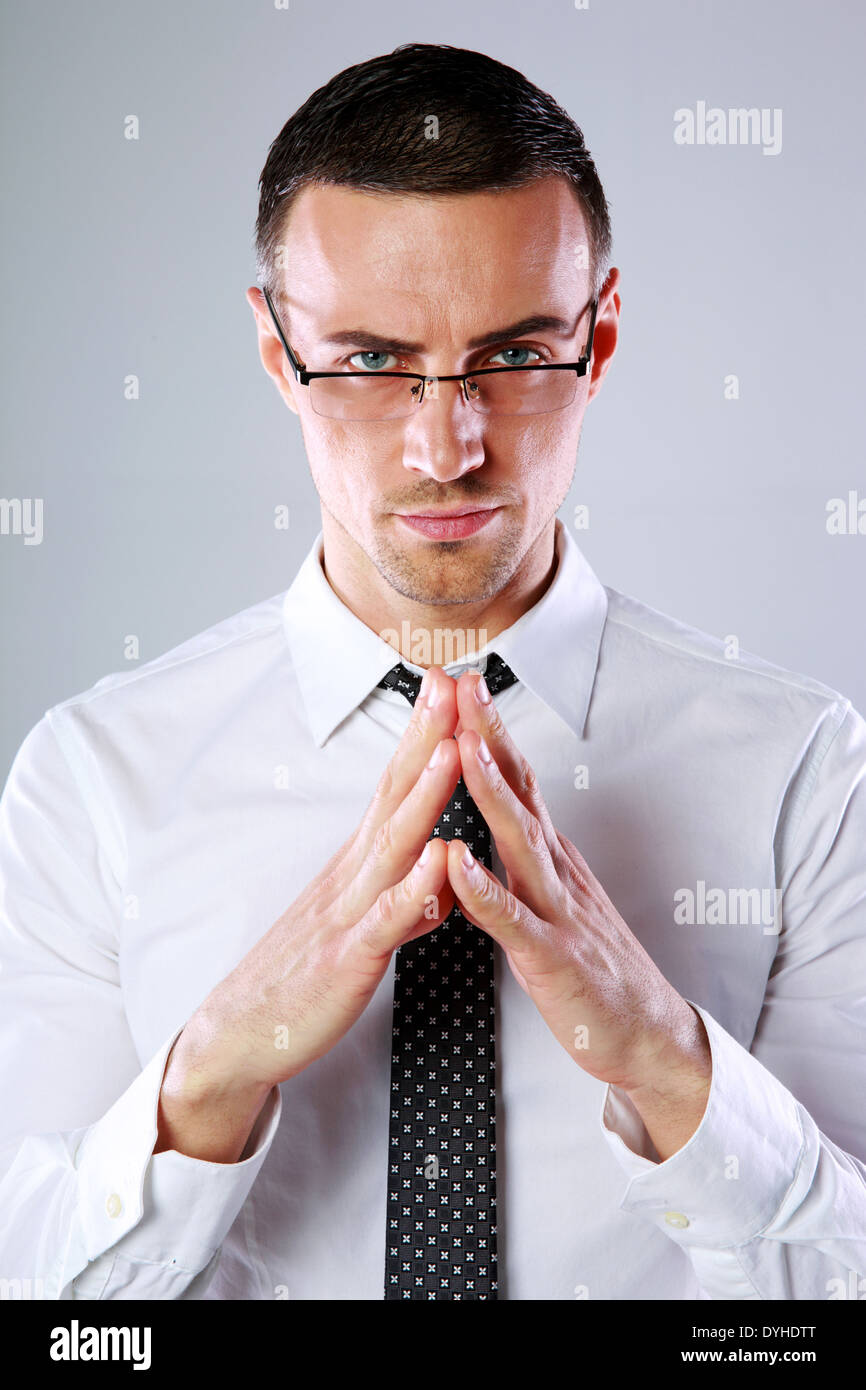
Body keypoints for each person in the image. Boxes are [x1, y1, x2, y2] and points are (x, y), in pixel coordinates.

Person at [1, 41, 864, 1303]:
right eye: (365, 362)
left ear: (601, 332)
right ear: (272, 348)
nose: (445, 445)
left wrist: (670, 1062)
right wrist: (212, 1076)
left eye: (514, 357)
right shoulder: (92, 778)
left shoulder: (800, 767)